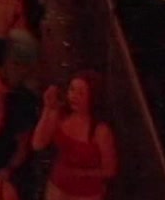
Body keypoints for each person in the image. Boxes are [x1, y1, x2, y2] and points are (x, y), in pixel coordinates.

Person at [32, 71, 117, 200]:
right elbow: (37, 144)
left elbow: (110, 170)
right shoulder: (61, 116)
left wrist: (82, 173)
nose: (74, 96)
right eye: (72, 90)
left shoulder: (100, 130)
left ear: (92, 97)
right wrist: (48, 108)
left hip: (86, 194)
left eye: (81, 93)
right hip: (57, 187)